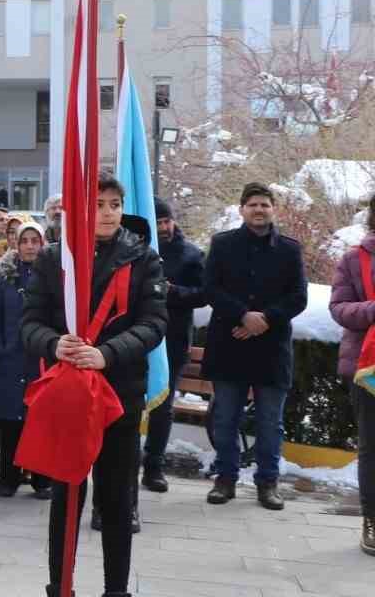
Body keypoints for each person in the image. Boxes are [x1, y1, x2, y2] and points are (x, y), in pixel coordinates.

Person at [22, 171, 167, 597]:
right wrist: (54, 343)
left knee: (117, 504)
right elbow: (31, 321)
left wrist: (108, 353)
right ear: (80, 210)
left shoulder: (142, 258)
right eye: (97, 203)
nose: (105, 211)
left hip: (118, 395)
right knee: (66, 500)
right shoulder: (54, 258)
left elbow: (153, 323)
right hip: (67, 396)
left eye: (113, 203)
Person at [202, 183, 308, 512]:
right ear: (241, 209)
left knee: (269, 422)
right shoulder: (222, 245)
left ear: (273, 209)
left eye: (264, 204)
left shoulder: (290, 250)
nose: (259, 210)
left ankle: (268, 483)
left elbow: (298, 297)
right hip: (230, 342)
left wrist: (264, 320)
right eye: (252, 205)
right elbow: (210, 288)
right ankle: (226, 479)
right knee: (225, 418)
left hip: (271, 349)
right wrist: (242, 315)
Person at [0, 219, 51, 498]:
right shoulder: (5, 277)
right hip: (10, 359)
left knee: (41, 420)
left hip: (41, 360)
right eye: (25, 240)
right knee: (10, 422)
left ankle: (41, 479)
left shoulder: (52, 276)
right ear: (17, 244)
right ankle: (8, 478)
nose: (30, 246)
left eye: (35, 240)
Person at [146, 198, 206, 493]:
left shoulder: (192, 255)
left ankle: (154, 466)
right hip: (139, 339)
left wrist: (173, 292)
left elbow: (204, 293)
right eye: (157, 223)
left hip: (173, 341)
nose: (164, 227)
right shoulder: (139, 251)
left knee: (162, 407)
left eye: (167, 221)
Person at [328, 195, 375, 556]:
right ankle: (371, 519)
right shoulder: (354, 260)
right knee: (372, 449)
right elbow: (340, 309)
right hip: (366, 368)